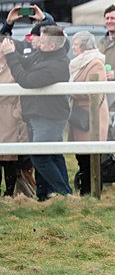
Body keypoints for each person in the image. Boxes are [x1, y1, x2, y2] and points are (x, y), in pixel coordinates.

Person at [1, 25, 72, 200]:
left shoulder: (56, 65)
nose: (37, 40)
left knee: (40, 156)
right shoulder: (44, 55)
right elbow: (24, 63)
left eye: (42, 38)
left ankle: (64, 194)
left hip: (49, 117)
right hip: (40, 115)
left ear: (52, 46)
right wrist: (10, 52)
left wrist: (10, 55)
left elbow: (25, 80)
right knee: (53, 156)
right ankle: (48, 195)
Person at [68, 31, 110, 196]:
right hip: (80, 114)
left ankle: (92, 191)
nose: (73, 48)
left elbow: (95, 91)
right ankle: (86, 190)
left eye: (76, 45)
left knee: (91, 157)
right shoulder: (78, 63)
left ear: (84, 46)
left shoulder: (95, 63)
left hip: (93, 115)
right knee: (82, 156)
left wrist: (71, 92)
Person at [0, 36, 28, 196]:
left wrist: (17, 113)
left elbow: (21, 91)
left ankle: (9, 192)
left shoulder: (15, 66)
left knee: (9, 157)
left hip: (9, 115)